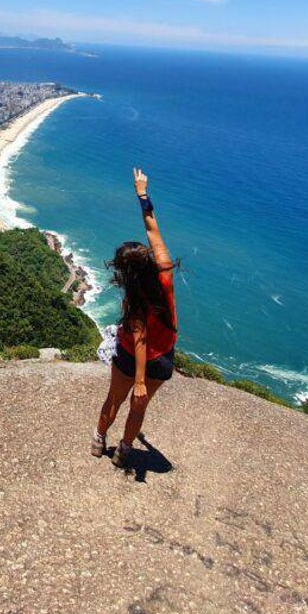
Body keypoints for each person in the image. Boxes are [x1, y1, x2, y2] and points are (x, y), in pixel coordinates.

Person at [91, 168, 179, 468]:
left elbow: (139, 339)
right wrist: (142, 193)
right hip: (163, 354)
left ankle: (99, 439)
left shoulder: (134, 298)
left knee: (115, 399)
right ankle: (124, 450)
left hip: (132, 354)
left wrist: (137, 380)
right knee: (138, 408)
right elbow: (152, 229)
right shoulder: (165, 271)